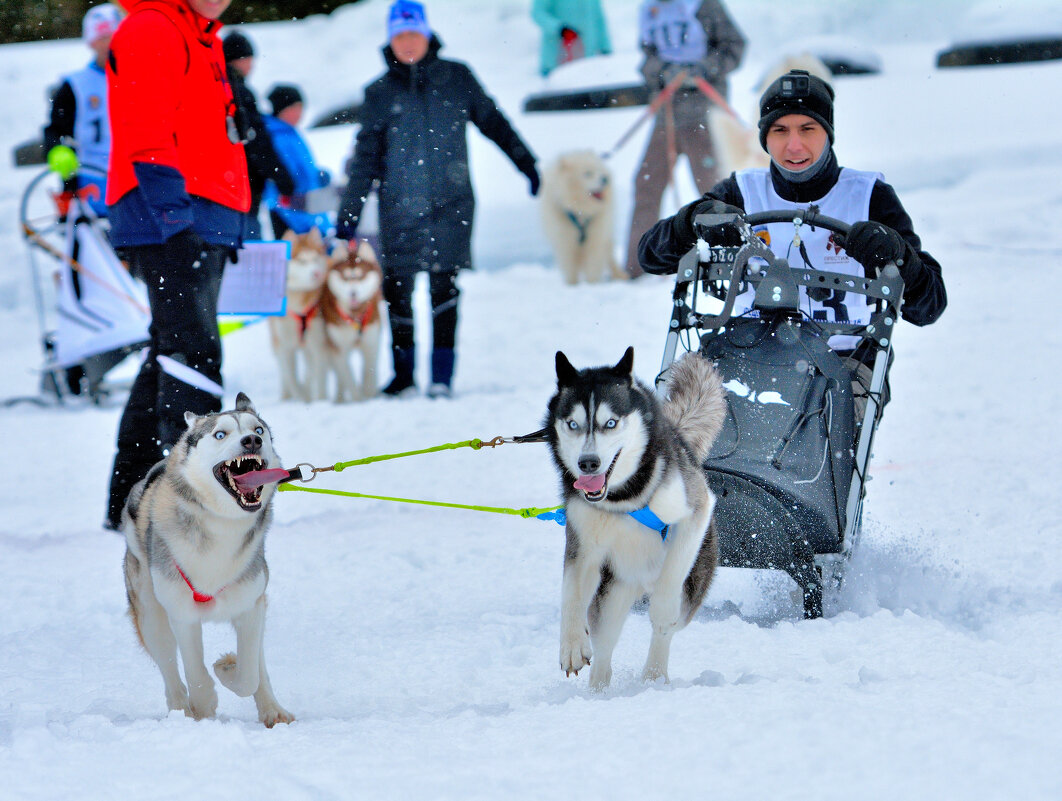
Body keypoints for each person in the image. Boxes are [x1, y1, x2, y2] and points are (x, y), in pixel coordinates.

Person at [638, 69, 947, 412]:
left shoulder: (870, 197)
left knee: (815, 432)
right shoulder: (742, 192)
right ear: (765, 138)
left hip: (843, 362)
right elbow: (651, 256)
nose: (794, 145)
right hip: (748, 357)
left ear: (828, 133)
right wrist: (692, 222)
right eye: (780, 130)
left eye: (807, 129)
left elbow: (929, 306)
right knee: (680, 423)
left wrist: (898, 255)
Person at [336, 0, 539, 399]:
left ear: (427, 36)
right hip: (399, 207)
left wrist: (526, 163)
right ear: (390, 40)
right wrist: (350, 214)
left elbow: (494, 122)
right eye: (400, 36)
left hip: (453, 204)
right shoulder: (378, 93)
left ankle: (442, 377)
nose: (408, 43)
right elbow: (365, 159)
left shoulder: (457, 78)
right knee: (398, 290)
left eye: (414, 34)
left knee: (444, 288)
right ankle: (405, 375)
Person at [103, 0, 250, 531]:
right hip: (171, 215)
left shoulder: (200, 33)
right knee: (192, 353)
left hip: (200, 212)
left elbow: (215, 136)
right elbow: (146, 128)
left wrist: (228, 220)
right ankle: (193, 503)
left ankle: (132, 496)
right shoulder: (153, 25)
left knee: (171, 350)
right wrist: (175, 219)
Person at [624, 0, 745, 278]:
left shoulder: (705, 6)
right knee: (646, 184)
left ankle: (731, 261)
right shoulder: (650, 9)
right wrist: (662, 70)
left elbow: (734, 47)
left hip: (703, 113)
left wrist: (704, 68)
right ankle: (637, 267)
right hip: (666, 113)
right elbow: (647, 57)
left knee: (714, 191)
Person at [43, 3, 124, 216]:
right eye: (103, 37)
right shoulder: (74, 85)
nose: (110, 44)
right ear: (91, 42)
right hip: (90, 182)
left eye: (116, 36)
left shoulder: (145, 79)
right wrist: (58, 149)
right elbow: (55, 130)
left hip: (136, 179)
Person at [222, 29, 295, 240]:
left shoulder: (225, 87)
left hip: (230, 184)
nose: (250, 65)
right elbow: (257, 143)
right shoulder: (239, 92)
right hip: (243, 184)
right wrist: (281, 176)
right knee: (249, 246)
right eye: (244, 59)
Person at [261, 83, 333, 239]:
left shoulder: (291, 134)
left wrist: (317, 176)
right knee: (296, 257)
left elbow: (302, 171)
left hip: (308, 206)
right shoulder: (276, 136)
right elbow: (282, 177)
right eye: (296, 107)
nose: (300, 112)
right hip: (290, 212)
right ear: (283, 108)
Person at [531, 0, 611, 77]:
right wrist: (560, 29)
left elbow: (598, 18)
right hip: (556, 61)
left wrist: (605, 47)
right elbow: (537, 13)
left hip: (587, 59)